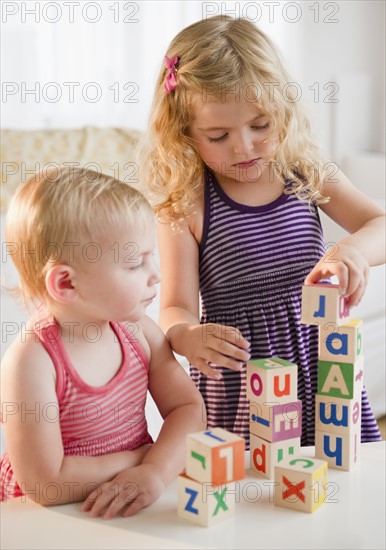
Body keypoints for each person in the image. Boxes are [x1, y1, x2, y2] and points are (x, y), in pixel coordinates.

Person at [139, 15, 385, 448]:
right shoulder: (187, 203)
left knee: (340, 478)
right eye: (218, 135)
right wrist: (187, 336)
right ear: (185, 135)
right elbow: (175, 307)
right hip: (241, 381)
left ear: (282, 111)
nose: (244, 147)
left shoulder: (303, 169)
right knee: (253, 495)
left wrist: (353, 251)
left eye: (260, 125)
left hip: (322, 363)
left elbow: (379, 223)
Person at [0, 166, 206, 519]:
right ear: (66, 284)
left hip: (129, 495)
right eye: (133, 264)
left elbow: (188, 410)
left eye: (149, 256)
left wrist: (154, 472)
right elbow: (46, 484)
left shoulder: (140, 332)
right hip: (50, 516)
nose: (155, 274)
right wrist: (144, 459)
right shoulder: (31, 361)